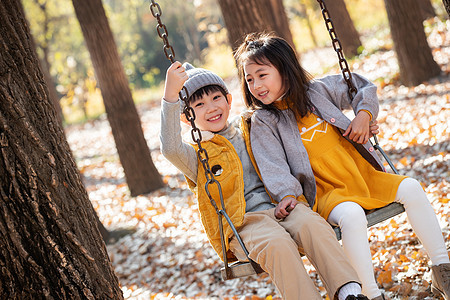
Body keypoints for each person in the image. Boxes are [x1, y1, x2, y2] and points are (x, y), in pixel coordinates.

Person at [234, 32, 450, 300]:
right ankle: (369, 294)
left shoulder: (318, 91)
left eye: (262, 75)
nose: (255, 85)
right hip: (325, 192)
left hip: (361, 174)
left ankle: (442, 270)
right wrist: (287, 194)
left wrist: (363, 114)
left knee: (413, 188)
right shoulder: (265, 121)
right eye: (249, 79)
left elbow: (362, 86)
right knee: (352, 216)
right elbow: (272, 164)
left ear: (285, 70)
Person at [160, 61, 372, 300]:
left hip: (283, 205)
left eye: (216, 98)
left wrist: (357, 121)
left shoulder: (253, 126)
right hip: (245, 224)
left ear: (228, 100)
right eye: (199, 104)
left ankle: (349, 292)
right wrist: (170, 95)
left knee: (313, 225)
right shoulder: (196, 155)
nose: (210, 108)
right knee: (277, 244)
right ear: (187, 118)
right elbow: (170, 148)